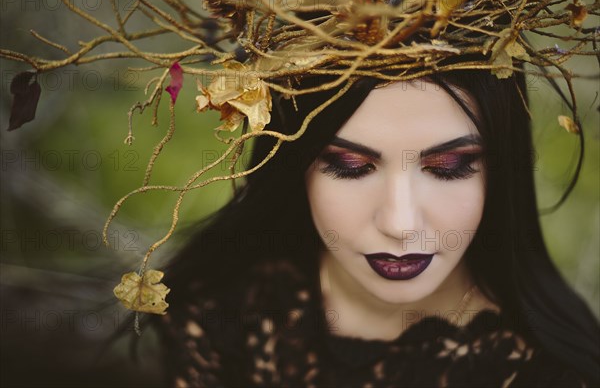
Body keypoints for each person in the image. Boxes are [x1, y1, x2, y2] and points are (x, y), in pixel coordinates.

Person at [150, 65, 599, 387]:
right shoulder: (223, 314)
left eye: (448, 166)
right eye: (349, 166)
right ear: (294, 164)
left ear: (502, 169)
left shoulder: (551, 371)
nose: (400, 224)